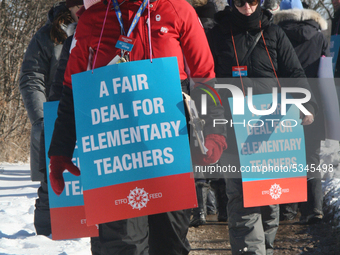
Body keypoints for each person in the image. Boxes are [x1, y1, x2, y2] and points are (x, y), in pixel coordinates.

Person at [48, 0, 227, 254]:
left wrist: (215, 131)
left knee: (170, 244)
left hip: (168, 153)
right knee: (124, 246)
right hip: (116, 159)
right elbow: (72, 90)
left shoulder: (178, 10)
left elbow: (205, 78)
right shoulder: (93, 20)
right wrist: (60, 151)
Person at [207, 0, 317, 253]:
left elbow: (294, 73)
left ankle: (264, 248)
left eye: (253, 1)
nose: (247, 6)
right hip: (234, 132)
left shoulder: (274, 33)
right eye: (240, 1)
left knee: (269, 202)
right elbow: (205, 78)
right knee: (243, 204)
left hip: (273, 132)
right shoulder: (217, 35)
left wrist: (307, 105)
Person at [19, 0, 83, 236]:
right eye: (79, 6)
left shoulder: (105, 26)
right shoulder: (48, 35)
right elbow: (31, 76)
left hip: (93, 117)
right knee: (51, 186)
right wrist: (41, 119)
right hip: (56, 118)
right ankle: (44, 241)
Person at [273, 0, 329, 224]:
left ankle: (287, 210)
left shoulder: (274, 34)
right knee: (312, 155)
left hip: (284, 100)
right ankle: (313, 208)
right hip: (313, 100)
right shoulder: (319, 37)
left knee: (287, 154)